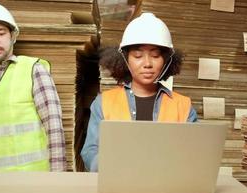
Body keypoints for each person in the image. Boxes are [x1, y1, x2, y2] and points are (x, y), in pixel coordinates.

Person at [81, 12, 198, 172]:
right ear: (125, 58)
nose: (147, 63)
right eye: (137, 55)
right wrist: (113, 166)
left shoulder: (183, 106)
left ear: (166, 60)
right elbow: (90, 152)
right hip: (119, 188)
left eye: (155, 55)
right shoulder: (104, 103)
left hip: (167, 190)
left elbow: (194, 155)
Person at [0, 2, 66, 171]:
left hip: (31, 183)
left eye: (1, 33)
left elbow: (54, 129)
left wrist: (57, 181)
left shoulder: (33, 70)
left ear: (13, 36)